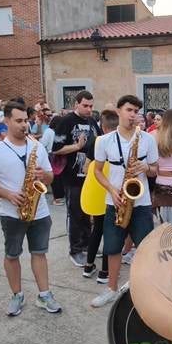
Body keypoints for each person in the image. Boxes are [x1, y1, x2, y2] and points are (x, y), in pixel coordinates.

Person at [0, 101, 61, 316]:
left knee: (39, 253)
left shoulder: (36, 146)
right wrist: (7, 194)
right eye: (18, 121)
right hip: (11, 212)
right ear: (6, 121)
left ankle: (44, 295)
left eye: (26, 121)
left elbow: (50, 176)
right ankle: (17, 295)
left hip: (40, 211)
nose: (24, 125)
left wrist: (44, 176)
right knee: (12, 255)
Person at [90, 95, 159, 307]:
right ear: (118, 111)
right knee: (112, 247)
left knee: (146, 249)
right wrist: (111, 190)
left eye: (136, 111)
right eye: (129, 110)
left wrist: (146, 168)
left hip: (141, 203)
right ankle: (111, 289)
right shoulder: (104, 141)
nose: (133, 115)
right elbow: (98, 171)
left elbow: (156, 169)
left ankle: (147, 291)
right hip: (115, 201)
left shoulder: (147, 139)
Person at [51, 91, 101, 268]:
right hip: (72, 177)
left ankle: (88, 244)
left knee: (88, 212)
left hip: (91, 177)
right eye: (85, 105)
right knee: (76, 213)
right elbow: (56, 149)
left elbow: (100, 141)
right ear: (76, 105)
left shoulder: (93, 121)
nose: (88, 109)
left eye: (91, 106)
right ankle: (75, 250)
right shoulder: (66, 121)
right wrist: (77, 146)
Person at [81, 109, 119, 279]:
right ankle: (105, 272)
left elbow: (85, 168)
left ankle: (88, 266)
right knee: (109, 231)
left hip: (96, 189)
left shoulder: (94, 141)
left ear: (102, 127)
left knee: (97, 228)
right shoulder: (120, 142)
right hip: (111, 190)